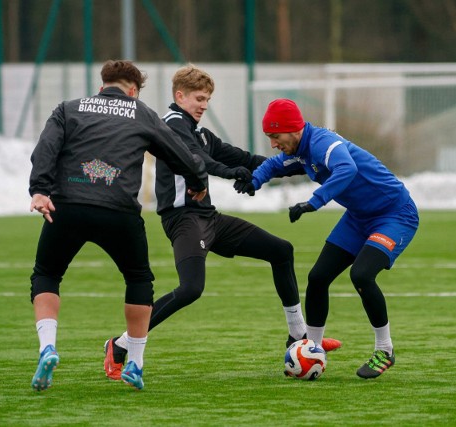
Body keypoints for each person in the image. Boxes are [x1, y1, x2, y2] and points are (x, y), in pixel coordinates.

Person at [103, 65, 341, 380]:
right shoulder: (171, 124)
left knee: (280, 250)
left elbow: (243, 158)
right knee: (190, 289)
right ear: (180, 96)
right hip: (183, 219)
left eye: (207, 100)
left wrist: (305, 164)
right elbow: (195, 160)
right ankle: (120, 346)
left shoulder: (200, 132)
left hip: (208, 218)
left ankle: (299, 336)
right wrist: (232, 174)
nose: (203, 105)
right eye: (198, 98)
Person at [28, 60, 207, 391]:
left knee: (47, 274)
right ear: (134, 91)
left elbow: (45, 150)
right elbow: (178, 152)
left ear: (101, 86)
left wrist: (39, 190)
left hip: (68, 206)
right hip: (119, 211)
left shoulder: (69, 109)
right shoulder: (141, 113)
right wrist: (197, 181)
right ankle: (135, 364)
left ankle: (47, 347)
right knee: (138, 279)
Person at [234, 98, 419, 379]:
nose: (272, 143)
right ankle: (313, 347)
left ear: (294, 130)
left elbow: (348, 169)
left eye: (275, 136)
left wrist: (313, 202)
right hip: (359, 217)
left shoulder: (323, 143)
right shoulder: (301, 148)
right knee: (318, 277)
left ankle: (385, 349)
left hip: (395, 214)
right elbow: (274, 165)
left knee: (362, 275)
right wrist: (254, 181)